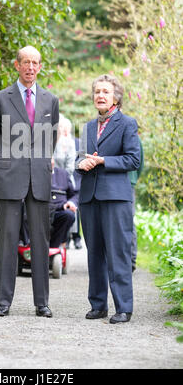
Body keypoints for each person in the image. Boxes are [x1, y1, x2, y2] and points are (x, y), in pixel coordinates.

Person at [0, 45, 59, 318]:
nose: (30, 67)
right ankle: (4, 301)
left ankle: (42, 303)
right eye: (25, 62)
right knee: (6, 241)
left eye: (35, 62)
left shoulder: (51, 101)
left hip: (39, 179)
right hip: (8, 179)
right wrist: (6, 167)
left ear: (40, 67)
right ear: (16, 65)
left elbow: (49, 140)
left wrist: (38, 164)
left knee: (40, 241)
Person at [76, 74, 140, 324]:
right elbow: (79, 159)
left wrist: (103, 160)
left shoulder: (127, 124)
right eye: (97, 92)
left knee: (118, 254)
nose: (100, 95)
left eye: (105, 91)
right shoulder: (88, 127)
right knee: (95, 254)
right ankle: (98, 305)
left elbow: (133, 159)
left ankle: (124, 307)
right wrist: (82, 163)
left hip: (116, 198)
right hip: (89, 198)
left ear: (116, 97)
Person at [49, 158, 77, 248]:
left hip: (59, 211)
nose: (50, 161)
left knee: (69, 215)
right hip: (42, 210)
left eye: (51, 158)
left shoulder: (63, 174)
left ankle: (54, 247)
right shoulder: (34, 174)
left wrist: (71, 202)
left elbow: (74, 194)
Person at [129, 136, 144, 272]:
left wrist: (132, 179)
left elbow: (140, 162)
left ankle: (132, 259)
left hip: (128, 183)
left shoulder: (133, 135)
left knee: (128, 222)